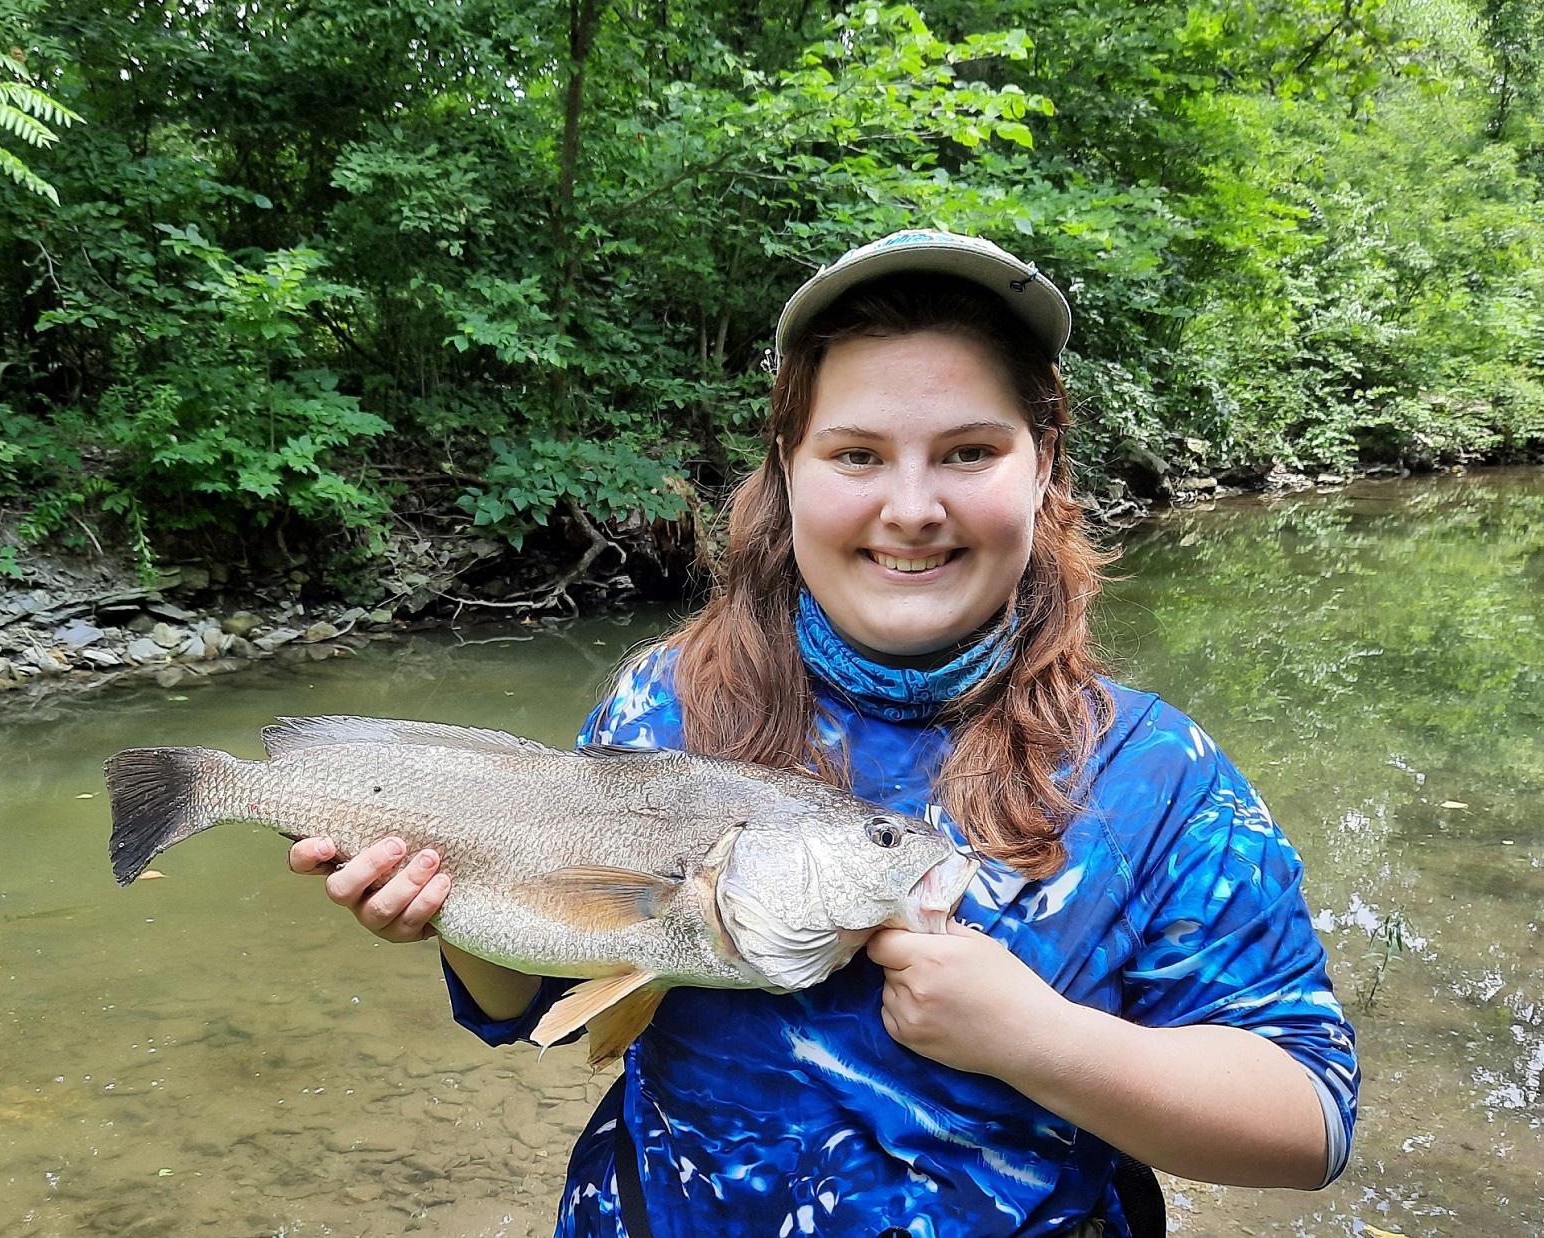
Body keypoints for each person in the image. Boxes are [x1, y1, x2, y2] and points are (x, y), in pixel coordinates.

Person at [289, 230, 1359, 1238]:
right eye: (856, 453)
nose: (910, 506)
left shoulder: (1159, 778)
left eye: (968, 450)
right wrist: (452, 908)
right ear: (787, 470)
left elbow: (1310, 1119)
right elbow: (535, 1006)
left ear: (1042, 469)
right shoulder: (659, 706)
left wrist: (1043, 1041)